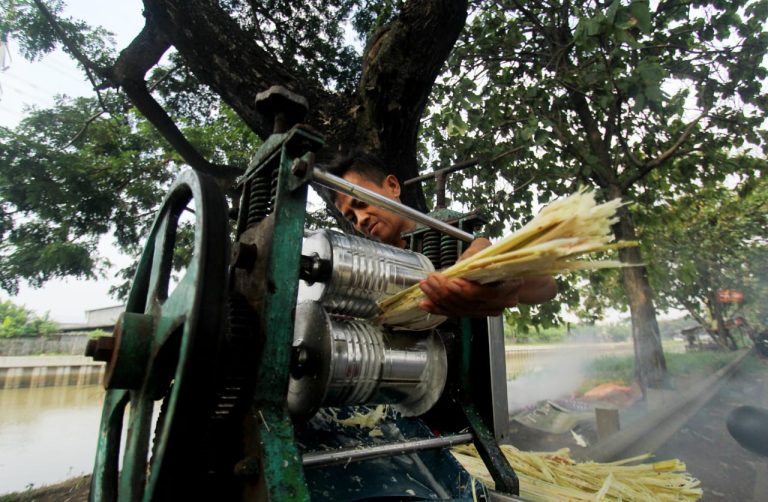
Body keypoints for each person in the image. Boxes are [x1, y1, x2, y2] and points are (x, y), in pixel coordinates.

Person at [326, 152, 558, 318]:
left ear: (393, 186)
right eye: (351, 218)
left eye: (362, 202)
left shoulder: (446, 230)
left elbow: (547, 286)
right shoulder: (367, 268)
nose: (361, 219)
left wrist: (502, 272)